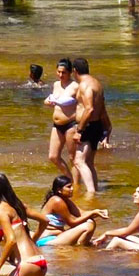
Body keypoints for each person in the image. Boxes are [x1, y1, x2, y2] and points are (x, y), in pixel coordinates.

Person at [71, 57, 111, 194]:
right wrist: (108, 128)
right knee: (89, 162)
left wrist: (79, 130)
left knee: (79, 161)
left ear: (74, 71)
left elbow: (89, 109)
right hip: (97, 125)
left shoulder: (85, 85)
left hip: (87, 126)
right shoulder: (97, 84)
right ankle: (95, 190)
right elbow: (103, 109)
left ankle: (91, 192)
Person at [37, 176, 108, 247]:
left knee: (90, 221)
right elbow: (72, 223)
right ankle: (82, 247)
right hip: (47, 240)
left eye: (72, 186)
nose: (72, 189)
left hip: (58, 236)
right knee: (89, 225)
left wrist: (99, 212)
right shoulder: (57, 201)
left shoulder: (66, 200)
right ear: (59, 190)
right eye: (69, 187)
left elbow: (82, 214)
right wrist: (93, 212)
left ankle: (82, 246)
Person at [44, 58, 79, 180]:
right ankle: (70, 179)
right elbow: (51, 99)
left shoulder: (75, 86)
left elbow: (83, 106)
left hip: (71, 124)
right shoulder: (55, 84)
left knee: (73, 158)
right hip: (57, 125)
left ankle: (76, 185)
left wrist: (76, 118)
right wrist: (48, 102)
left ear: (70, 72)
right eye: (58, 72)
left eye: (63, 72)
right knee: (53, 156)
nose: (60, 75)